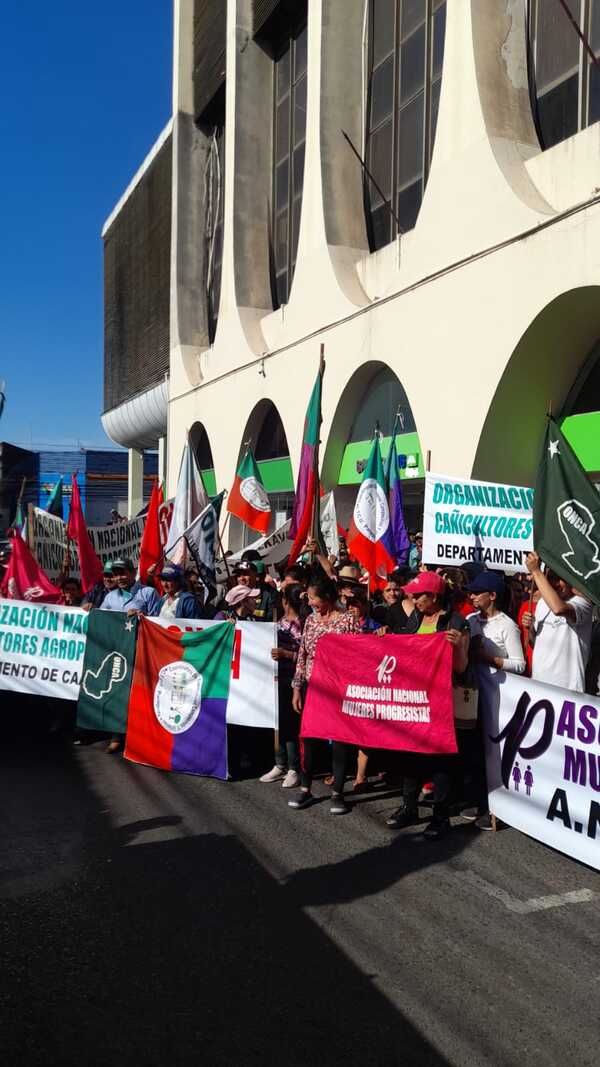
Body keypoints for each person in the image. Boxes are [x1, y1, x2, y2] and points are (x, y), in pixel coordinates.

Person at [385, 570, 470, 839]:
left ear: (433, 596)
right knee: (410, 754)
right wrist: (386, 637)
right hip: (413, 698)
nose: (413, 598)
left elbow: (462, 668)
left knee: (439, 760)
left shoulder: (456, 621)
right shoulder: (417, 617)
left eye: (419, 594)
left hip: (440, 701)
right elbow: (404, 648)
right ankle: (409, 807)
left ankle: (440, 817)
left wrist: (457, 647)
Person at [288, 575, 359, 815]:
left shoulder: (348, 620)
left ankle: (338, 792)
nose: (310, 603)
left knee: (339, 742)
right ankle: (305, 788)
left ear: (328, 597)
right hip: (312, 687)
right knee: (309, 739)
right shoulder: (309, 620)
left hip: (338, 690)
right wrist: (297, 687)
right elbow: (303, 654)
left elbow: (358, 655)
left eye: (313, 598)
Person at [523, 552, 593, 692]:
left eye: (561, 579)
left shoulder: (582, 603)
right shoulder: (542, 603)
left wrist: (536, 571)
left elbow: (558, 608)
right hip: (539, 685)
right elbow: (533, 643)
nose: (556, 583)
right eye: (552, 578)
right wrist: (530, 629)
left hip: (568, 689)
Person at [260, 585, 305, 789]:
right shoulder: (278, 623)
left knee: (290, 725)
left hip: (293, 680)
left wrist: (286, 654)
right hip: (274, 678)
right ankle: (280, 763)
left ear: (286, 601)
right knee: (278, 723)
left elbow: (308, 656)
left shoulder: (303, 624)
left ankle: (294, 768)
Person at [467, 571, 526, 674]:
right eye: (471, 593)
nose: (472, 597)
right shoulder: (470, 619)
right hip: (472, 687)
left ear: (492, 596)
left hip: (495, 688)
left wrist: (489, 659)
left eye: (477, 593)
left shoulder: (508, 625)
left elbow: (519, 665)